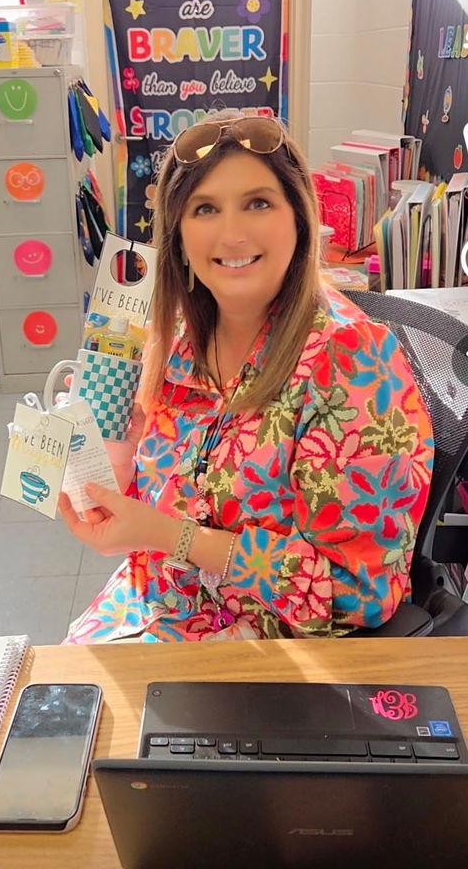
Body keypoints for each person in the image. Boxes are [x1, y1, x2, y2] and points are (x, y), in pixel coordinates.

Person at [58, 112, 434, 643]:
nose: (231, 234)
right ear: (178, 233)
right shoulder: (175, 338)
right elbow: (156, 504)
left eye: (258, 203)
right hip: (153, 602)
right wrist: (101, 473)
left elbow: (358, 591)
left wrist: (171, 536)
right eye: (205, 208)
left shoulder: (352, 360)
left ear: (299, 217)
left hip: (269, 649)